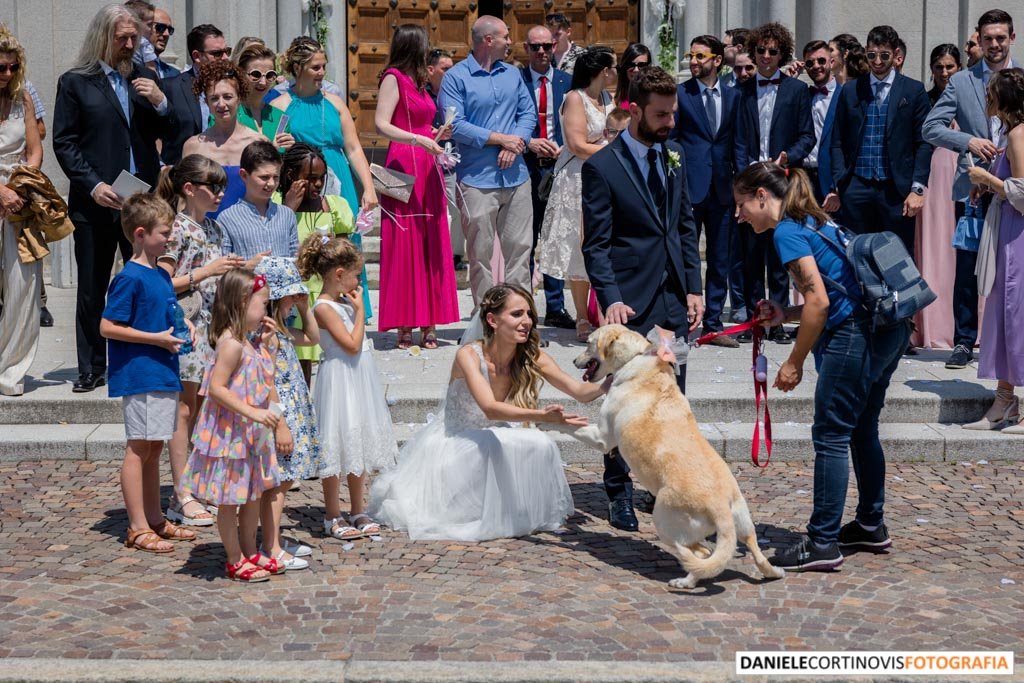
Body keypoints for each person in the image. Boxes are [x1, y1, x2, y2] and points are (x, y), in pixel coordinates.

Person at [732, 162, 911, 572]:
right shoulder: (815, 222)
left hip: (854, 335)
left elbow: (821, 304)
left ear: (763, 195)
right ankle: (869, 523)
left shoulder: (787, 232)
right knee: (862, 427)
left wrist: (793, 362)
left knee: (831, 434)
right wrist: (784, 314)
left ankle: (822, 542)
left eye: (742, 204)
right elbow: (828, 294)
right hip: (888, 329)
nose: (739, 215)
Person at [369, 283, 598, 541]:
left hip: (496, 433)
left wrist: (618, 378)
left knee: (540, 443)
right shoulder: (469, 355)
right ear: (492, 320)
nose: (527, 322)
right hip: (457, 438)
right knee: (491, 442)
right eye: (517, 314)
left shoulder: (532, 355)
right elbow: (489, 409)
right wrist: (542, 417)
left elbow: (581, 392)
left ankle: (516, 511)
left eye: (529, 314)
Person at [581, 66, 705, 531]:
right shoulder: (602, 167)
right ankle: (618, 491)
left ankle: (663, 485)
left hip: (674, 296)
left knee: (671, 398)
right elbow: (596, 243)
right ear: (634, 110)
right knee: (625, 402)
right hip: (630, 301)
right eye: (661, 114)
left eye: (672, 113)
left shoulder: (675, 154)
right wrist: (609, 298)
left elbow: (685, 224)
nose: (670, 122)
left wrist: (694, 285)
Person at [52, 3, 176, 393]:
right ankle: (91, 366)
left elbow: (170, 127)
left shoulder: (143, 77)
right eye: (121, 38)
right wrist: (92, 184)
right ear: (102, 38)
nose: (128, 45)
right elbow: (65, 143)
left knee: (146, 278)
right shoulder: (75, 82)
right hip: (97, 201)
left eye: (133, 38)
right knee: (91, 284)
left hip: (139, 201)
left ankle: (145, 351)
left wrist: (160, 100)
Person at [99, 193, 197, 553]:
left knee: (154, 447)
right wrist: (155, 338)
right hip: (141, 373)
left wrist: (183, 322)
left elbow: (163, 310)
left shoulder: (157, 273)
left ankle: (155, 518)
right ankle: (137, 526)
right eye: (164, 232)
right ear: (140, 234)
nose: (170, 238)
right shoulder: (130, 277)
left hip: (162, 370)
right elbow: (108, 326)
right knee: (139, 448)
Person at [180, 268, 288, 583]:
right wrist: (253, 413)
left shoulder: (249, 341)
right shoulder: (231, 344)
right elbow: (216, 387)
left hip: (250, 436)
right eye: (263, 303)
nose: (266, 310)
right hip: (231, 434)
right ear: (243, 301)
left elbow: (261, 380)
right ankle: (234, 557)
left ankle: (250, 549)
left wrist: (269, 348)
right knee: (230, 500)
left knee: (252, 494)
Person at [155, 154, 245, 526]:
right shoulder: (176, 228)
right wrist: (205, 272)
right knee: (184, 409)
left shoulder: (216, 229)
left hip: (212, 327)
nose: (220, 193)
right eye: (213, 187)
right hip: (185, 325)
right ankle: (181, 493)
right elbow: (161, 282)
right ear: (189, 189)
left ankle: (196, 481)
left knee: (204, 409)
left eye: (223, 186)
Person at [924, 9, 1016, 370]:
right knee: (967, 269)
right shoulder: (961, 82)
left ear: (1012, 37)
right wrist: (968, 142)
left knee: (1013, 268)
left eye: (1000, 38)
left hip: (1014, 187)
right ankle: (964, 340)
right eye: (987, 38)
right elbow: (930, 128)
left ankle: (1010, 338)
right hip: (975, 189)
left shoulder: (1022, 76)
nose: (994, 44)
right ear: (978, 39)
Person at [300, 235, 399, 541]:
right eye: (357, 275)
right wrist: (359, 315)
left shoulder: (344, 301)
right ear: (339, 274)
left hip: (358, 379)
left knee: (358, 443)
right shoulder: (324, 307)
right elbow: (352, 345)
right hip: (339, 379)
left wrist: (355, 310)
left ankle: (358, 508)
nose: (360, 283)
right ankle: (332, 512)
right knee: (336, 444)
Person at [440, 16, 537, 305]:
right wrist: (500, 138)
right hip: (476, 179)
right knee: (479, 254)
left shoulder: (512, 74)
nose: (511, 42)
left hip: (517, 177)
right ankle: (486, 319)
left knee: (520, 250)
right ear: (488, 40)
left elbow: (528, 113)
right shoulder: (456, 77)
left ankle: (522, 317)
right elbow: (455, 125)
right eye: (506, 36)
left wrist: (515, 142)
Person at [373, 25, 460, 349]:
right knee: (403, 241)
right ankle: (404, 324)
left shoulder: (421, 83)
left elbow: (421, 125)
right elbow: (381, 123)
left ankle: (429, 321)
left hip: (427, 163)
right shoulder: (393, 77)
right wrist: (418, 138)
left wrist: (436, 135)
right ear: (414, 47)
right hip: (399, 164)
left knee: (430, 243)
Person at [735, 22, 815, 344]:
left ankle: (778, 321)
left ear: (782, 54)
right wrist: (747, 170)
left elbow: (807, 135)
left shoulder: (797, 91)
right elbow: (737, 139)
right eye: (761, 50)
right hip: (751, 181)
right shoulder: (739, 91)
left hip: (782, 181)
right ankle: (756, 319)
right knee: (751, 255)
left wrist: (786, 158)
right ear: (753, 52)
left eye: (773, 51)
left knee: (781, 254)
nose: (766, 56)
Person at [829, 25, 932, 255]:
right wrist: (840, 181)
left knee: (898, 258)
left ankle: (896, 294)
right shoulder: (851, 90)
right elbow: (837, 141)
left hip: (897, 190)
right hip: (857, 187)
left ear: (896, 55)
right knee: (857, 256)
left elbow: (924, 143)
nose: (877, 61)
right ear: (866, 52)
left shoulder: (914, 90)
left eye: (884, 55)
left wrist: (917, 188)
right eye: (872, 55)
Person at [537, 46, 616, 341]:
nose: (616, 73)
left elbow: (615, 132)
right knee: (578, 247)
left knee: (603, 246)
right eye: (613, 67)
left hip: (603, 179)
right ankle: (582, 317)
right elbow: (578, 144)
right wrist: (618, 155)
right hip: (577, 180)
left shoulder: (607, 98)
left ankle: (606, 312)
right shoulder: (575, 98)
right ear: (602, 71)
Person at [963, 68, 1024, 435]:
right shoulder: (1010, 134)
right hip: (1008, 232)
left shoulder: (1018, 134)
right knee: (1005, 310)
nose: (987, 98)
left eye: (991, 92)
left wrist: (988, 180)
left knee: (1017, 311)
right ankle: (1004, 398)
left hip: (1018, 236)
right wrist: (990, 188)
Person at [277, 143, 370, 379]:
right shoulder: (278, 206)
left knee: (331, 360)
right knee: (299, 363)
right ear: (291, 176)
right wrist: (289, 208)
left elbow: (344, 254)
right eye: (310, 178)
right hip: (294, 294)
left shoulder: (333, 206)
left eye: (321, 177)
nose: (317, 184)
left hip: (325, 297)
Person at [673, 35, 742, 347]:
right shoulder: (680, 94)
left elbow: (739, 144)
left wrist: (741, 189)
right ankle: (681, 321)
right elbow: (671, 141)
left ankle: (713, 324)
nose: (694, 61)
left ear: (717, 60)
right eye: (691, 55)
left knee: (720, 259)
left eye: (701, 56)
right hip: (689, 187)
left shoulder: (733, 95)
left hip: (723, 189)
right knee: (685, 256)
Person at [253, 257, 321, 571]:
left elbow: (313, 336)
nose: (295, 300)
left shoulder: (280, 330)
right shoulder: (266, 335)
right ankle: (272, 546)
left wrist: (306, 307)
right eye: (292, 296)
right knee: (277, 484)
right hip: (279, 416)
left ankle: (273, 537)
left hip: (290, 412)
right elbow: (268, 382)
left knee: (282, 482)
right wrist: (280, 424)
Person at [272, 37, 377, 222]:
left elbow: (353, 148)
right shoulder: (280, 106)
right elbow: (273, 152)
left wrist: (369, 188)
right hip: (304, 183)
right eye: (315, 68)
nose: (322, 73)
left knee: (343, 240)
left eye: (323, 67)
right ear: (297, 68)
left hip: (339, 178)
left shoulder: (335, 103)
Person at [520, 25, 574, 331]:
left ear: (555, 47)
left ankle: (555, 306)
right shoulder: (517, 81)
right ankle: (524, 304)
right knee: (526, 239)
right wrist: (529, 141)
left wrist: (569, 146)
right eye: (535, 46)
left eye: (546, 46)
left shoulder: (568, 82)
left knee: (555, 240)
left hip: (559, 168)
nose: (542, 52)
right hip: (526, 167)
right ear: (526, 49)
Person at [0, 30, 44, 396]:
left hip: (19, 195)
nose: (8, 72)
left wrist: (19, 186)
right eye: (2, 66)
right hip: (3, 191)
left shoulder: (22, 99)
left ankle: (11, 368)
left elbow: (34, 150)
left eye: (14, 67)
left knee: (24, 284)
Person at [912, 45, 962, 350]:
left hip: (961, 182)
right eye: (939, 67)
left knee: (958, 255)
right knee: (931, 252)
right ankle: (929, 326)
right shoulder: (926, 100)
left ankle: (962, 329)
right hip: (931, 186)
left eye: (950, 67)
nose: (944, 73)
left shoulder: (972, 100)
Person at [181, 60, 263, 218]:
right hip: (206, 232)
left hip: (247, 230)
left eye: (227, 97)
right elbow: (185, 198)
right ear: (206, 102)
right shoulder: (193, 146)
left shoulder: (258, 142)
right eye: (214, 98)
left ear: (239, 98)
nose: (221, 104)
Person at [160, 23, 230, 165]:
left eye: (227, 51)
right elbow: (154, 135)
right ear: (197, 56)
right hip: (183, 173)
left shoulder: (233, 86)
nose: (225, 58)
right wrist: (161, 167)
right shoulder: (171, 87)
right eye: (217, 53)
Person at [219, 140, 298, 259]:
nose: (271, 184)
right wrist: (247, 267)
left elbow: (295, 259)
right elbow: (223, 267)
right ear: (244, 175)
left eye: (276, 177)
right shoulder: (227, 218)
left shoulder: (287, 215)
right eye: (264, 177)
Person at [426, 47, 466, 272]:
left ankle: (455, 253)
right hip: (427, 158)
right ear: (430, 70)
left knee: (455, 205)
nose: (450, 73)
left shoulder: (457, 93)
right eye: (445, 69)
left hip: (453, 157)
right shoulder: (422, 95)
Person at [802, 40, 841, 210]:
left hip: (832, 183)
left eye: (821, 61)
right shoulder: (801, 95)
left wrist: (838, 188)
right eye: (810, 63)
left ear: (831, 62)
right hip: (803, 181)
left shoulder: (846, 96)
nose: (816, 66)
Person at [234, 42, 294, 150]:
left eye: (269, 75)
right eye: (255, 75)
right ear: (241, 74)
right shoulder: (227, 114)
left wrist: (291, 150)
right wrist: (272, 150)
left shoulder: (281, 118)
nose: (263, 82)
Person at [614, 43, 652, 107]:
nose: (636, 70)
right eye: (631, 65)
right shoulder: (612, 100)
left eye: (642, 65)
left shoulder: (654, 95)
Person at [147, 7, 179, 79]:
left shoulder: (175, 74)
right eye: (161, 27)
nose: (166, 34)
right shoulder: (131, 69)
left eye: (170, 30)